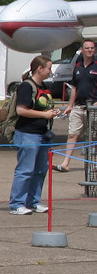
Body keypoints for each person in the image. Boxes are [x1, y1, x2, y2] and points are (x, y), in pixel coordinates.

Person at [9, 56, 60, 215]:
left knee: (40, 170)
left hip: (43, 134)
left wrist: (53, 112)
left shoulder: (44, 86)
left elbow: (44, 106)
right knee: (25, 170)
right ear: (40, 69)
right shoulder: (26, 86)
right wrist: (44, 115)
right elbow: (21, 110)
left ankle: (33, 201)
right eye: (49, 68)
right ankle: (17, 203)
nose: (50, 71)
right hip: (28, 134)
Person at [56, 39, 97, 173]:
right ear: (82, 50)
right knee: (73, 134)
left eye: (92, 48)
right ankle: (66, 163)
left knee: (93, 136)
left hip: (93, 107)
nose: (90, 50)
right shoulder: (77, 66)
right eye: (87, 48)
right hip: (79, 107)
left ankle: (94, 164)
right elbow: (74, 87)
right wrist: (70, 106)